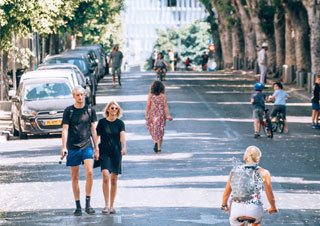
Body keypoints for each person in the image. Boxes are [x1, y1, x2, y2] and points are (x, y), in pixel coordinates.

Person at [61, 86, 99, 216]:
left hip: (87, 145)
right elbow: (65, 129)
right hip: (72, 147)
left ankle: (88, 204)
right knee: (75, 176)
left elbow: (94, 130)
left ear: (85, 95)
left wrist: (96, 147)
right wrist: (64, 147)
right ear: (73, 96)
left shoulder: (90, 110)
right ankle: (78, 206)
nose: (80, 97)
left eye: (82, 94)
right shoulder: (69, 111)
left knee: (90, 173)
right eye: (77, 95)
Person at [221, 146, 278, 226]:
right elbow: (270, 196)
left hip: (236, 209)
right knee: (256, 222)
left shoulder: (234, 171)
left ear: (245, 157)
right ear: (258, 158)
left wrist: (224, 205)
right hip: (254, 209)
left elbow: (226, 193)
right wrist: (273, 207)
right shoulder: (264, 173)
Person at [96, 101, 126, 214]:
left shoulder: (120, 123)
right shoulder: (102, 122)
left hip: (116, 153)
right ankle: (106, 205)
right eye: (112, 108)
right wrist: (96, 149)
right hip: (104, 152)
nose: (114, 110)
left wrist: (124, 147)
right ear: (108, 109)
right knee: (105, 176)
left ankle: (112, 205)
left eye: (116, 108)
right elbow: (96, 136)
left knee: (114, 179)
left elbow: (122, 136)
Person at [146, 81, 173, 153]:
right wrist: (168, 115)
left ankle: (155, 142)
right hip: (161, 115)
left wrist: (146, 115)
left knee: (153, 129)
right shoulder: (163, 96)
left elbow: (148, 105)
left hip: (152, 114)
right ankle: (159, 148)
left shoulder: (150, 95)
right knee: (161, 131)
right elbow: (165, 106)